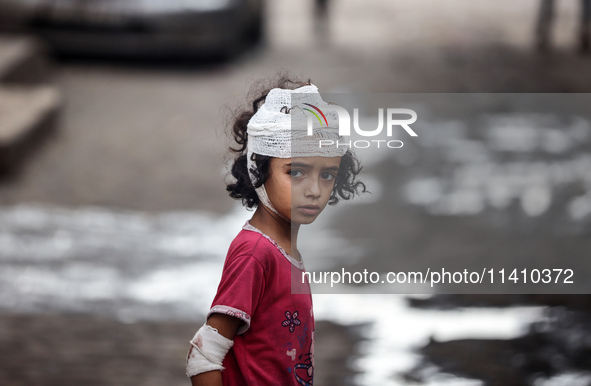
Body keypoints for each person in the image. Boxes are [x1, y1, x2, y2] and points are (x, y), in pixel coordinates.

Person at [186, 77, 365, 385]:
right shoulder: (256, 253)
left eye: (327, 175)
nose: (313, 189)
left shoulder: (285, 249)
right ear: (258, 169)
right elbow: (203, 356)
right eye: (295, 172)